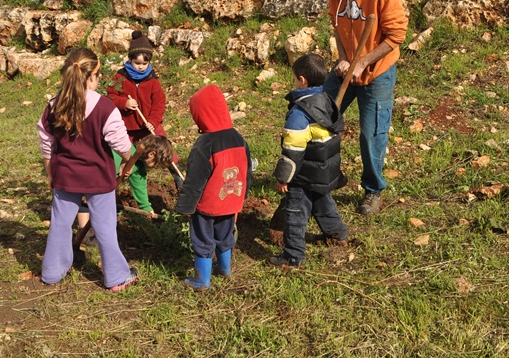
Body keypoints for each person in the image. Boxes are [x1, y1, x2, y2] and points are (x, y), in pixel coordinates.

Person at [37, 47, 138, 290]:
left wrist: (50, 173)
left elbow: (46, 142)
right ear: (91, 75)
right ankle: (115, 276)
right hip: (98, 179)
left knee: (60, 224)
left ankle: (52, 271)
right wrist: (128, 160)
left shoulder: (54, 105)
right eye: (99, 73)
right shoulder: (104, 107)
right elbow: (121, 143)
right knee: (104, 227)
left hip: (65, 177)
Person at [323, 0, 408, 215]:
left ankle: (373, 190)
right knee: (320, 113)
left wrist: (363, 62)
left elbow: (396, 36)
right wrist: (343, 58)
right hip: (347, 65)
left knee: (371, 134)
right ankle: (326, 176)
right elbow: (336, 25)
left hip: (376, 71)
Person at [270, 54, 349, 268]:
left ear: (302, 80)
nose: (294, 81)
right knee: (323, 202)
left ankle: (293, 255)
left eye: (295, 78)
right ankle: (338, 234)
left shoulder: (299, 113)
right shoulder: (326, 101)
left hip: (304, 173)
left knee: (296, 212)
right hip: (323, 168)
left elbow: (293, 152)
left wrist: (283, 178)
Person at [175, 85, 252, 290]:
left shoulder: (205, 144)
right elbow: (246, 171)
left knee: (202, 238)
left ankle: (201, 280)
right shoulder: (239, 138)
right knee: (225, 235)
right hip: (230, 199)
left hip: (208, 204)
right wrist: (242, 196)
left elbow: (195, 181)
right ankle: (225, 269)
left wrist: (185, 207)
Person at [106, 31, 179, 218]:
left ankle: (180, 181)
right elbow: (110, 97)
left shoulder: (152, 80)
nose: (140, 67)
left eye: (144, 63)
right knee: (126, 161)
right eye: (136, 63)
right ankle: (110, 188)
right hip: (126, 129)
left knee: (167, 153)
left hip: (148, 127)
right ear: (129, 59)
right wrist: (124, 103)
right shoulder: (120, 78)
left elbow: (159, 104)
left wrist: (153, 122)